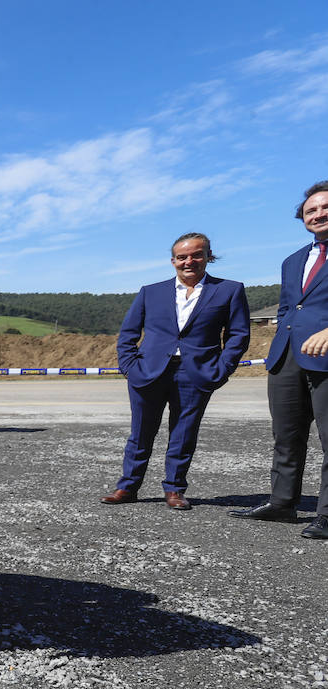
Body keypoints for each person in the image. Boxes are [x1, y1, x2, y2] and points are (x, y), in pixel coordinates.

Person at [102, 233, 250, 510]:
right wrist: (130, 367)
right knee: (141, 432)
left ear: (208, 256)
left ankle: (174, 489)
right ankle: (128, 486)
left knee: (183, 433)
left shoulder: (229, 290)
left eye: (196, 255)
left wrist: (221, 369)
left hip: (196, 373)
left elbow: (238, 335)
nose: (188, 261)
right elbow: (128, 334)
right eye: (182, 257)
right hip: (149, 372)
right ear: (173, 261)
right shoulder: (151, 291)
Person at [230, 181, 328, 539]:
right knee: (286, 435)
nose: (318, 214)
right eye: (310, 211)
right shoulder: (293, 260)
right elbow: (289, 306)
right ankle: (283, 503)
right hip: (287, 356)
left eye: (324, 206)